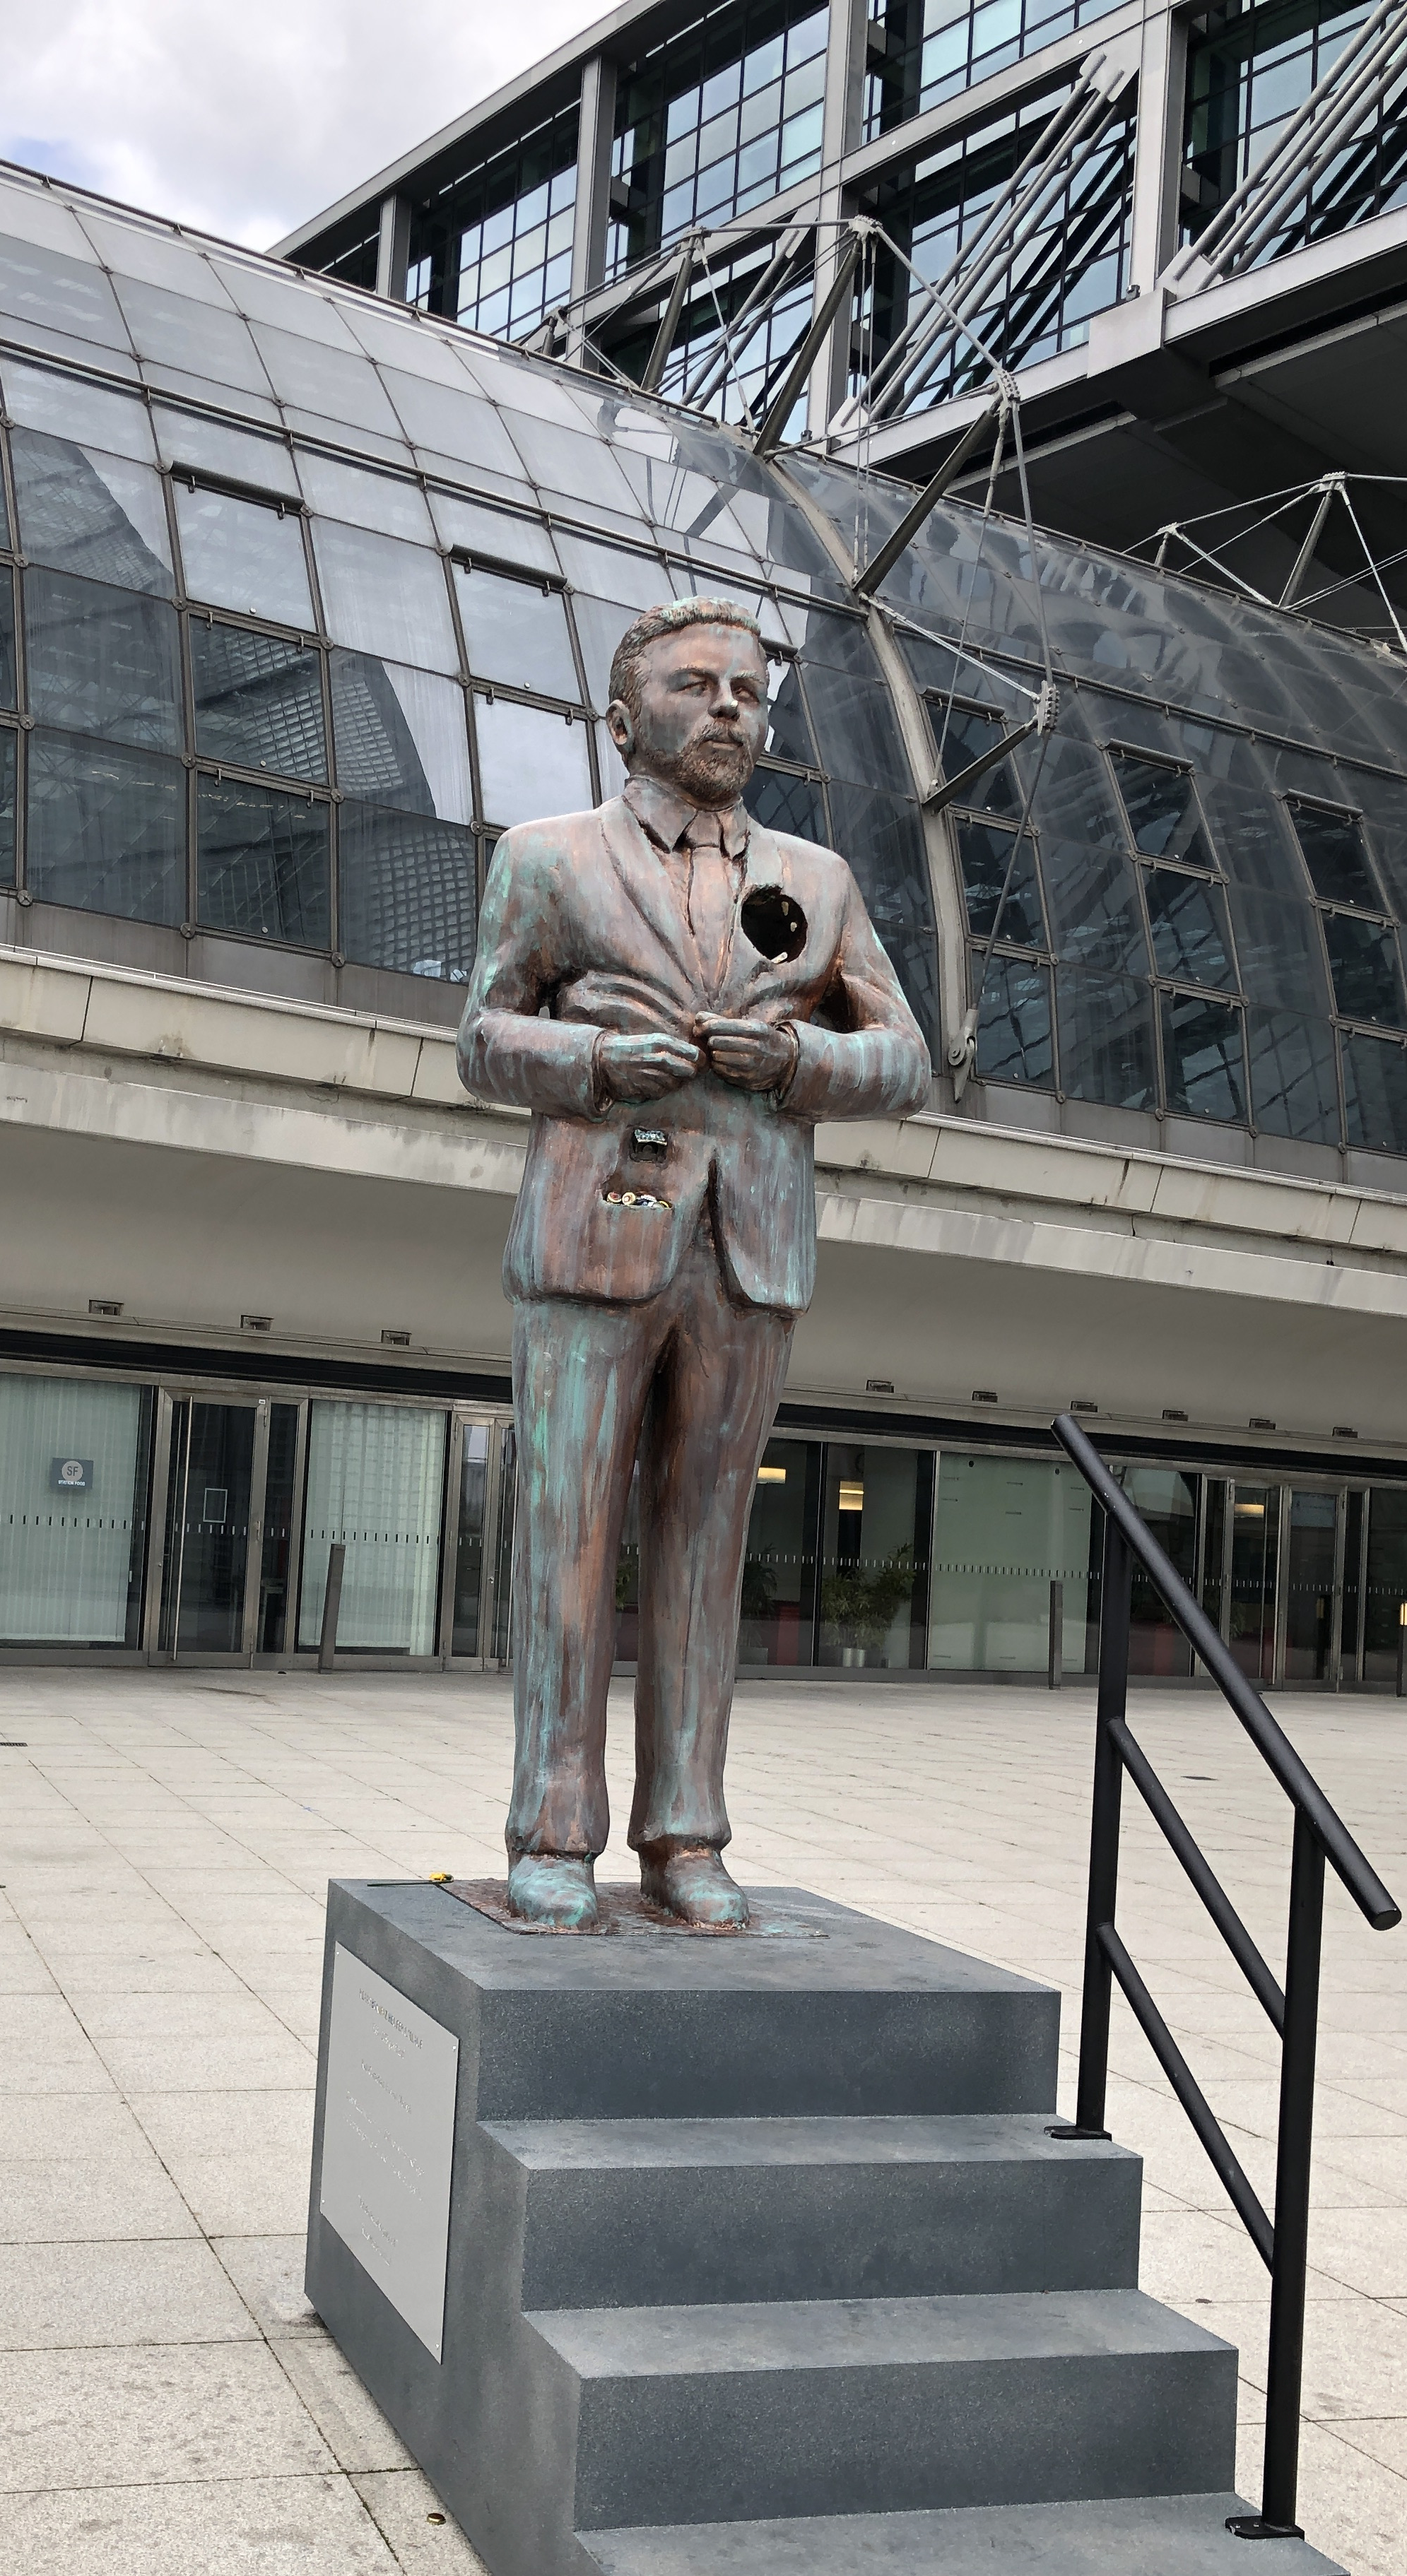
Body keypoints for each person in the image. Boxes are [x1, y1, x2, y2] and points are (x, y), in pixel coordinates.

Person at [456, 596, 931, 1929]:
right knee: (567, 1541)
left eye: (749, 690)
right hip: (593, 1229)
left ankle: (685, 1840)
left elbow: (908, 1059)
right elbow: (483, 1038)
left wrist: (803, 1063)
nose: (731, 706)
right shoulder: (548, 859)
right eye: (697, 685)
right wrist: (596, 1062)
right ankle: (553, 1833)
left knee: (706, 1546)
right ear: (624, 719)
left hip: (750, 1244)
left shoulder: (817, 881)